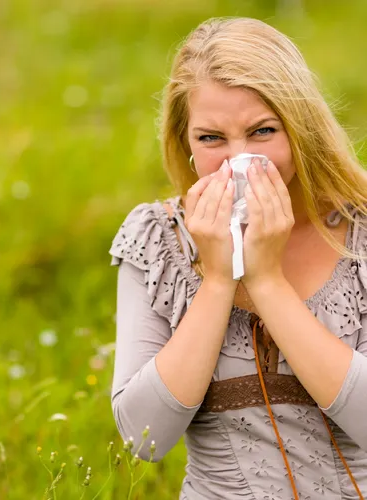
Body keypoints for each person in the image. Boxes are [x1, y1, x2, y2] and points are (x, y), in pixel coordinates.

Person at [108, 17, 367, 500]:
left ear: (301, 129)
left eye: (262, 131)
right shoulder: (158, 237)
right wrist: (217, 280)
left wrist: (268, 283)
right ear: (186, 143)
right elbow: (142, 437)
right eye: (211, 138)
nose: (238, 161)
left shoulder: (360, 228)